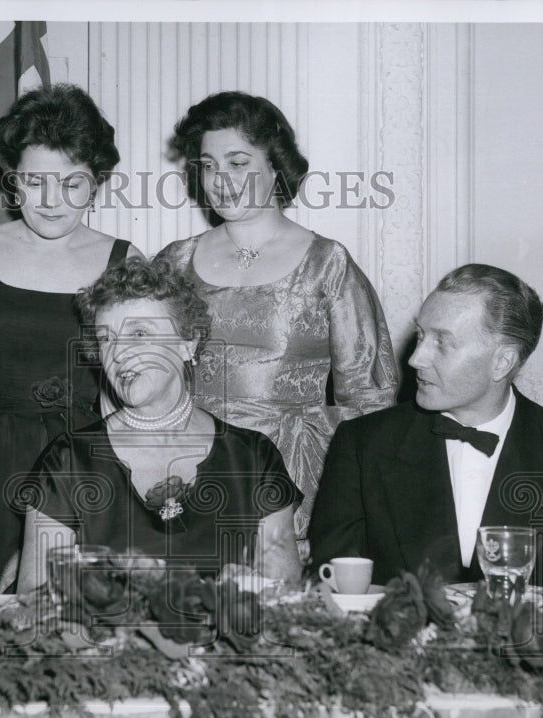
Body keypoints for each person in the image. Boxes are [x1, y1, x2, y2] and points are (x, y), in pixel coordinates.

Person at [159, 91, 398, 556]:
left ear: (276, 166)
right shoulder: (174, 263)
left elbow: (370, 397)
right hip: (191, 467)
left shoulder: (327, 263)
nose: (220, 180)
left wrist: (346, 500)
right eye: (208, 165)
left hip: (295, 475)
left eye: (237, 161)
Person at [0, 84, 143, 591]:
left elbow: (128, 393)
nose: (51, 201)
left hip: (86, 466)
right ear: (12, 180)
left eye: (72, 183)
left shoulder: (126, 261)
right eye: (36, 181)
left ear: (97, 184)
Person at [307, 264, 543, 586]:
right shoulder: (362, 444)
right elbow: (332, 586)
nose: (416, 358)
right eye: (421, 335)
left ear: (502, 362)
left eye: (442, 342)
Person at [15, 256, 304, 593]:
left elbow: (284, 595)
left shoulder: (253, 457)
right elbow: (36, 601)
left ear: (188, 343)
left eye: (139, 333)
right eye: (106, 339)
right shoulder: (69, 459)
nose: (119, 354)